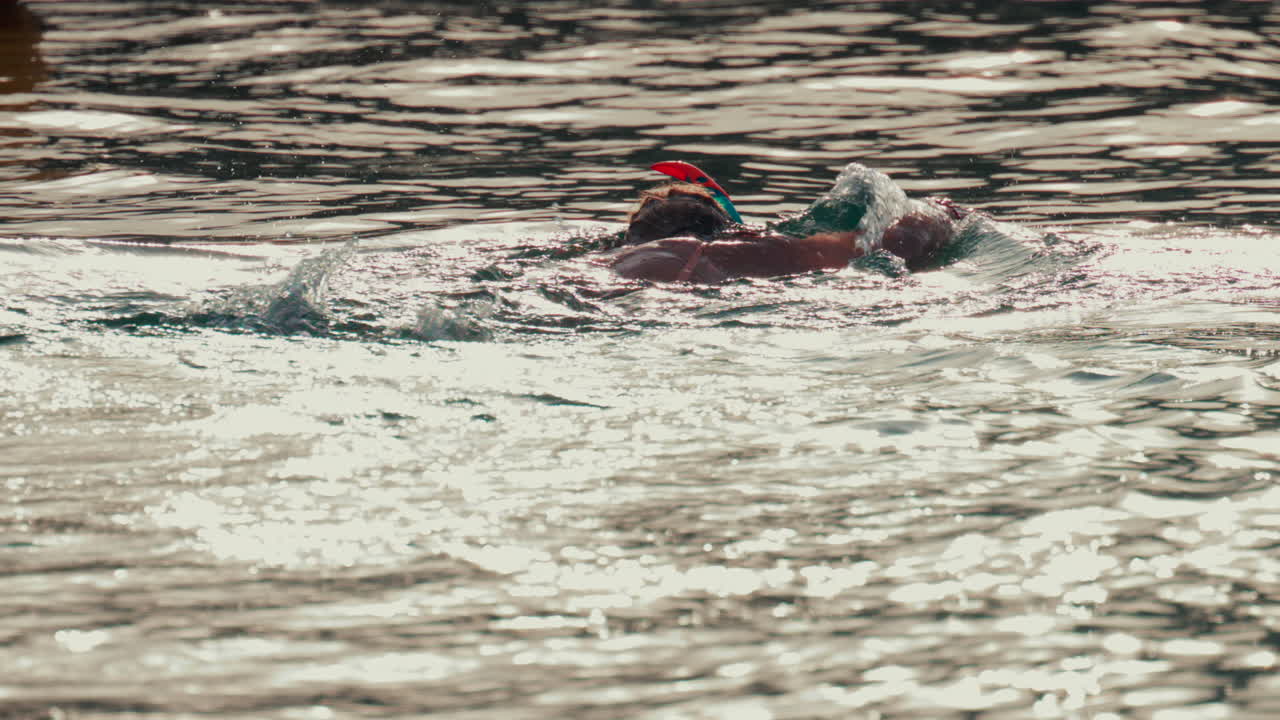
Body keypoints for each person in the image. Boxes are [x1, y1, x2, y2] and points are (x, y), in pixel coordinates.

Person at [609, 162, 968, 283]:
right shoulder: (721, 252)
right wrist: (936, 214)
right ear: (733, 229)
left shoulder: (610, 262)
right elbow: (898, 246)